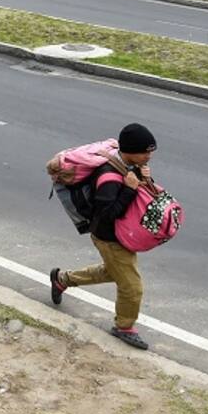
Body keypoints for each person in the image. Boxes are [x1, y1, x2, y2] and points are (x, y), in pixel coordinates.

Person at [50, 123, 158, 351]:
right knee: (132, 285)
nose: (149, 156)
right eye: (145, 152)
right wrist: (129, 189)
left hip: (122, 234)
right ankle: (124, 327)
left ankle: (62, 279)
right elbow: (105, 214)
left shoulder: (128, 166)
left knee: (113, 271)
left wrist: (143, 179)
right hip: (108, 236)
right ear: (129, 151)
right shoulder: (109, 176)